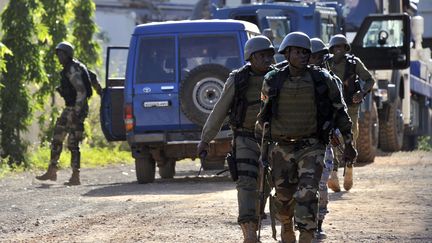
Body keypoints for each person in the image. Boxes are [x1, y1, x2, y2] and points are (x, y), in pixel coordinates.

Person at [255, 32, 357, 243]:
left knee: (308, 194)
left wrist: (349, 143)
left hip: (312, 145)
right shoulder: (273, 80)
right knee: (283, 197)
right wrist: (262, 150)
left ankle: (307, 235)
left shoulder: (322, 79)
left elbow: (340, 112)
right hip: (281, 147)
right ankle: (286, 226)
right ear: (287, 53)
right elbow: (263, 117)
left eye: (306, 52)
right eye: (298, 52)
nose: (303, 56)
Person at [197, 36, 275, 243]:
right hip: (245, 138)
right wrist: (206, 139)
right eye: (262, 55)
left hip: (275, 140)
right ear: (250, 57)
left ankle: (258, 217)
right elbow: (220, 109)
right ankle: (249, 231)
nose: (267, 59)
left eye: (270, 55)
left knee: (267, 184)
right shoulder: (238, 79)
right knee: (247, 183)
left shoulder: (279, 77)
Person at [36, 41, 102, 186]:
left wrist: (76, 112)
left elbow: (82, 92)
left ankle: (75, 176)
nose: (59, 57)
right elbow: (93, 77)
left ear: (68, 55)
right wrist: (100, 91)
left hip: (76, 109)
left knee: (73, 143)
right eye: (58, 54)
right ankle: (52, 170)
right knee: (57, 137)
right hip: (71, 108)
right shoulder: (77, 66)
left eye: (62, 54)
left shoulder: (72, 69)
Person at [326, 34, 376, 192]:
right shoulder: (326, 63)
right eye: (335, 47)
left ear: (346, 48)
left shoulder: (354, 63)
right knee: (331, 137)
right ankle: (333, 172)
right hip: (331, 107)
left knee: (350, 137)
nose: (338, 50)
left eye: (341, 47)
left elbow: (369, 80)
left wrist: (361, 93)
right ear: (332, 49)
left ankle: (349, 168)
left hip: (350, 107)